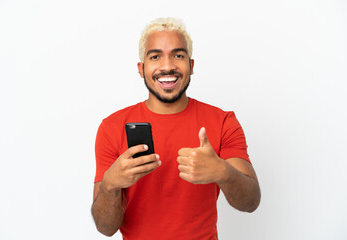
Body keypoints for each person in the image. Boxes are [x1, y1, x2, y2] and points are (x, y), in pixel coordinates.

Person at [91, 17, 261, 240]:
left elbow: (251, 202)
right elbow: (105, 227)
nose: (168, 66)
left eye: (178, 55)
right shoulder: (112, 127)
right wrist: (110, 184)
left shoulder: (222, 121)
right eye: (155, 56)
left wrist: (222, 171)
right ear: (141, 69)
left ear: (191, 66)